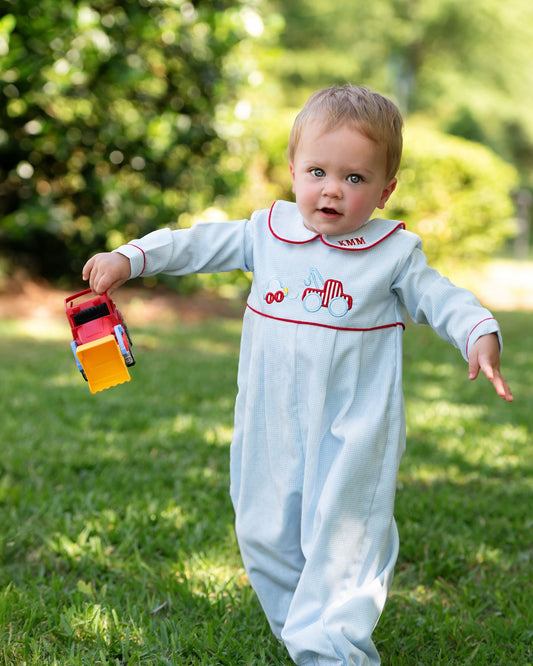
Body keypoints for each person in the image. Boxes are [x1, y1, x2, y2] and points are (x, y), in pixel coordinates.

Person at [83, 84, 513, 665]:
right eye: (318, 171)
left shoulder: (393, 253)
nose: (333, 188)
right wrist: (132, 257)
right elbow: (196, 244)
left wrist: (477, 331)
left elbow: (439, 296)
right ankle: (304, 633)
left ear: (385, 189)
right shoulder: (266, 233)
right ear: (292, 170)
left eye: (356, 179)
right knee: (263, 530)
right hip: (270, 418)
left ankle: (334, 651)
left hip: (353, 427)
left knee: (343, 540)